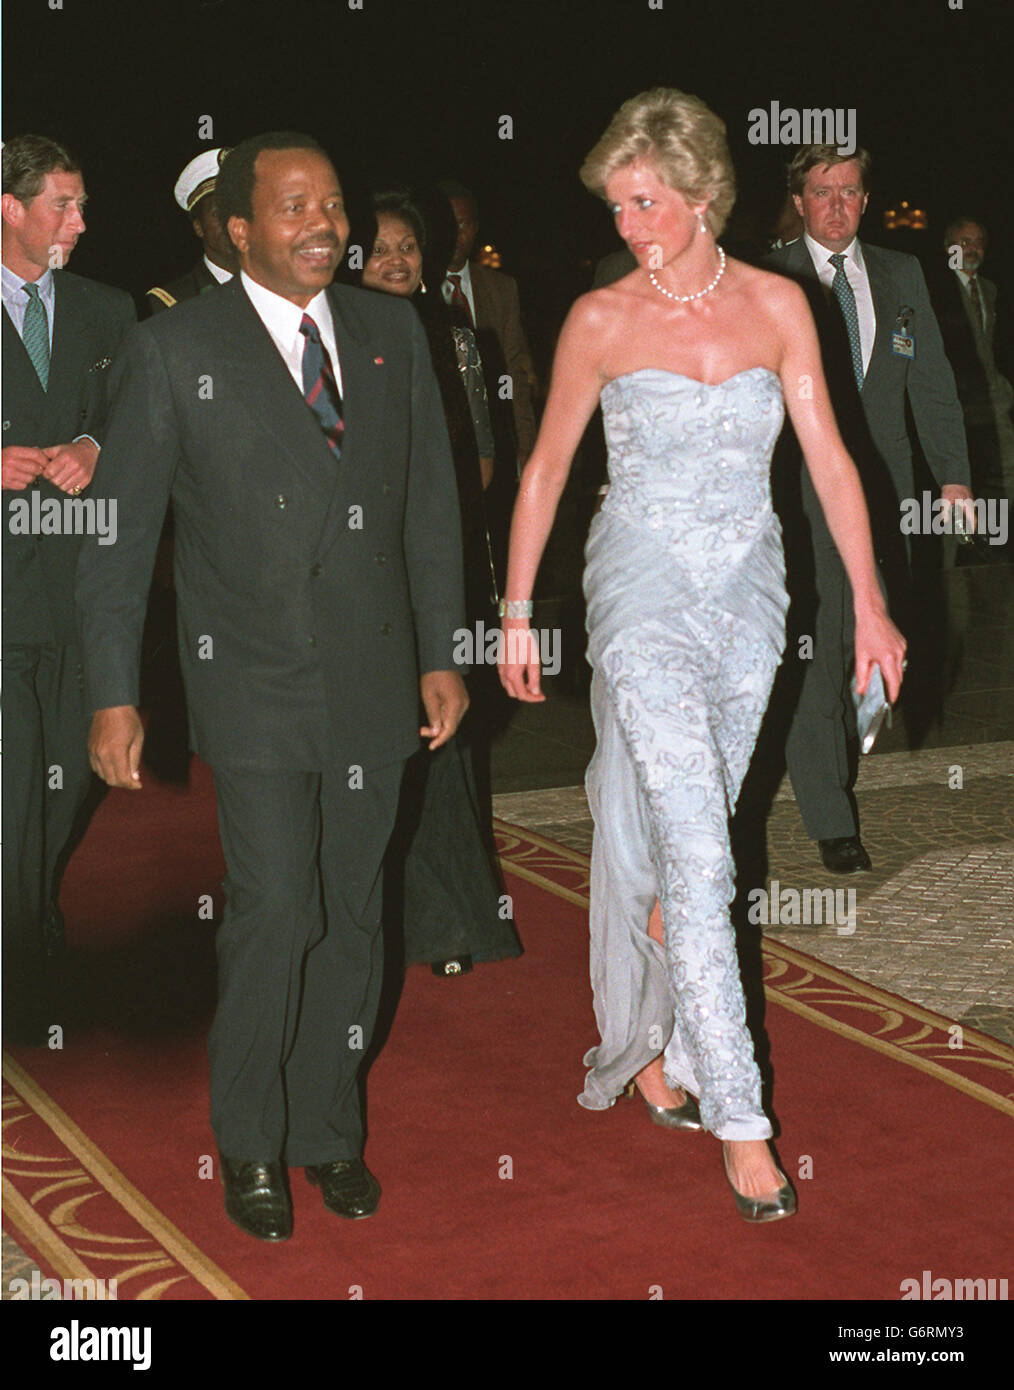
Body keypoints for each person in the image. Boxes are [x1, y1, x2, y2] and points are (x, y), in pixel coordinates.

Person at [498, 88, 907, 1222]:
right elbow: (543, 471)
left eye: (644, 201)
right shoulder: (599, 319)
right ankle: (742, 1118)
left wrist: (870, 604)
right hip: (638, 584)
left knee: (698, 838)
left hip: (752, 588)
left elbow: (831, 462)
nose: (628, 224)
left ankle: (654, 1021)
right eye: (617, 204)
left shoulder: (780, 304)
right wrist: (519, 607)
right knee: (701, 848)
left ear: (701, 193)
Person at [76, 132, 468, 1242]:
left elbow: (433, 510)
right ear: (239, 228)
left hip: (378, 680)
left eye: (334, 204)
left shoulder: (394, 332)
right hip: (252, 683)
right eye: (295, 207)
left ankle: (325, 1131)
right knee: (276, 910)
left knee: (352, 913)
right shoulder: (173, 349)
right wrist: (115, 691)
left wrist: (443, 654)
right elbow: (117, 535)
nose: (323, 225)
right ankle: (249, 1137)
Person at [766, 146, 972, 873]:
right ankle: (831, 814)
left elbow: (935, 384)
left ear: (866, 198)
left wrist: (953, 477)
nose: (836, 206)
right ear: (798, 200)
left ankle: (841, 749)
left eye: (850, 192)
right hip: (795, 499)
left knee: (879, 642)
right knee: (815, 649)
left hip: (884, 497)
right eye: (822, 193)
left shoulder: (902, 273)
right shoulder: (766, 278)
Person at [361, 189, 521, 975]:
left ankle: (453, 922)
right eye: (381, 247)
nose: (396, 261)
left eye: (409, 247)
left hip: (438, 565)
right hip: (358, 578)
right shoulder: (331, 338)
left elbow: (484, 459)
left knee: (443, 743)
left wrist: (429, 522)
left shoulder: (454, 340)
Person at [2, 133, 135, 1045]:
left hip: (82, 588)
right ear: (9, 208)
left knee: (62, 781)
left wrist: (94, 447)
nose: (79, 223)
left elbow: (141, 421)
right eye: (62, 205)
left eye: (81, 205)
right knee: (12, 780)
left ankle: (28, 901)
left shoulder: (107, 310)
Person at [929, 217, 1014, 514]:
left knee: (1005, 480)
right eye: (964, 242)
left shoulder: (993, 290)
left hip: (998, 404)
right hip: (958, 407)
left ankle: (997, 544)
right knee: (962, 483)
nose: (972, 248)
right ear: (947, 247)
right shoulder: (934, 293)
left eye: (978, 242)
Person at [145, 149, 237, 314]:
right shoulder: (173, 302)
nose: (231, 221)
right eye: (218, 213)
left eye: (238, 208)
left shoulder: (281, 285)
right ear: (199, 227)